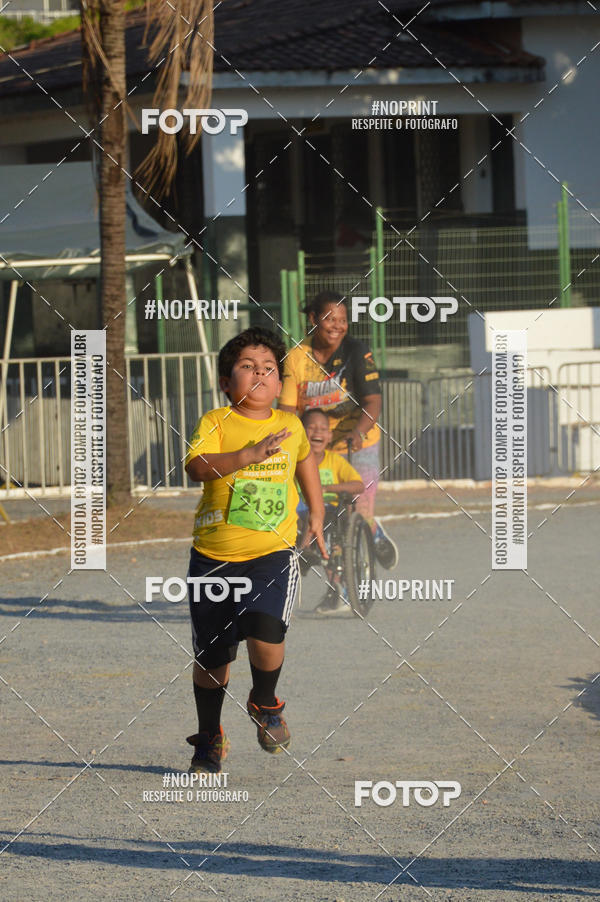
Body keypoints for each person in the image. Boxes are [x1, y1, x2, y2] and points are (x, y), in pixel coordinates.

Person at [184, 326, 326, 773]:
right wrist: (247, 455)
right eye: (248, 368)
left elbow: (304, 459)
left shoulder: (289, 424)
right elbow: (196, 466)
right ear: (227, 382)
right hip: (214, 556)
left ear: (280, 383)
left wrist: (317, 513)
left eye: (269, 369)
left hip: (272, 553)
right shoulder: (215, 422)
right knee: (212, 658)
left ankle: (264, 702)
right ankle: (209, 737)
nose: (260, 376)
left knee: (267, 635)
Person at [278, 290, 398, 583]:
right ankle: (336, 589)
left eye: (343, 320)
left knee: (358, 509)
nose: (337, 326)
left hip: (359, 441)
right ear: (313, 319)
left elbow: (372, 401)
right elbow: (287, 409)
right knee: (326, 516)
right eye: (330, 319)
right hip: (314, 446)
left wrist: (358, 433)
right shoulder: (296, 357)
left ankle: (369, 532)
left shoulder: (357, 352)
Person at [297, 408, 365, 614]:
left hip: (330, 512)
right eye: (311, 427)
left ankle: (306, 550)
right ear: (300, 432)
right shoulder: (294, 461)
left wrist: (326, 489)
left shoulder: (335, 461)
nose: (317, 432)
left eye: (323, 429)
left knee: (317, 513)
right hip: (297, 511)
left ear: (329, 436)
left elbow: (358, 486)